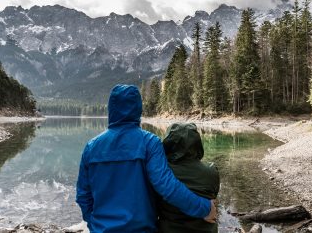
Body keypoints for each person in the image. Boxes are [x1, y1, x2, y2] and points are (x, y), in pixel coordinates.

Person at [76, 85, 216, 233]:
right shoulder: (150, 142)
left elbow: (83, 196)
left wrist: (93, 224)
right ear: (138, 108)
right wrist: (204, 208)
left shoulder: (91, 148)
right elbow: (167, 186)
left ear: (111, 108)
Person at [158, 123, 220, 233]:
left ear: (168, 143)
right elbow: (214, 198)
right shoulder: (211, 171)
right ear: (197, 143)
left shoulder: (161, 173)